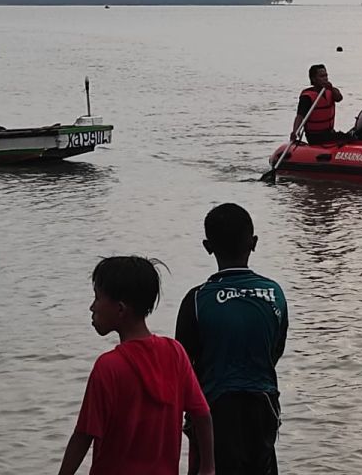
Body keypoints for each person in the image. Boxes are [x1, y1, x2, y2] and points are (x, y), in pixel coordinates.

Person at [58, 256, 215, 475]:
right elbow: (202, 415)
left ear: (120, 309)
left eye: (97, 298)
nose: (92, 306)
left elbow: (84, 435)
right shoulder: (175, 353)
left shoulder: (108, 367)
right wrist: (208, 468)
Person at [176, 203, 289, 475]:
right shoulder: (274, 293)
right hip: (264, 407)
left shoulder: (197, 299)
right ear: (254, 243)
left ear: (207, 246)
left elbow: (182, 367)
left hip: (214, 411)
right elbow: (276, 350)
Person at [292, 64, 350, 145]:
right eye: (322, 76)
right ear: (314, 79)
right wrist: (295, 131)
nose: (325, 79)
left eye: (326, 76)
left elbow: (339, 98)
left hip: (329, 133)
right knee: (346, 139)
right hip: (315, 136)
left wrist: (331, 88)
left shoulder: (330, 91)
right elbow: (300, 116)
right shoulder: (307, 97)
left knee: (354, 135)